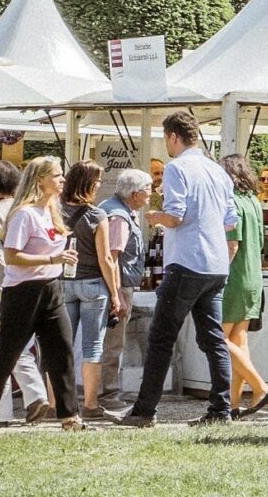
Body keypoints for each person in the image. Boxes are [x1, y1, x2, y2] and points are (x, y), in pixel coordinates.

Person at [115, 114, 238, 429]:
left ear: (173, 137)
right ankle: (221, 408)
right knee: (213, 339)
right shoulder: (218, 170)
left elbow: (176, 216)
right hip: (216, 264)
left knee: (161, 337)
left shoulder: (178, 168)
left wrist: (155, 216)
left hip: (186, 261)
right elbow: (230, 222)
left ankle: (144, 411)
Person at [0, 156, 82, 429]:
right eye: (57, 175)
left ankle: (70, 416)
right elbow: (11, 256)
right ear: (40, 180)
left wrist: (58, 261)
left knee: (62, 350)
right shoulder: (24, 213)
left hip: (51, 288)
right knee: (8, 353)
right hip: (23, 292)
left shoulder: (51, 210)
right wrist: (52, 259)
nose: (62, 180)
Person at [60, 161, 125, 420]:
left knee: (60, 346)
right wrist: (116, 294)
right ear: (88, 184)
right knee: (93, 347)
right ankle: (90, 404)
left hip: (62, 282)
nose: (99, 185)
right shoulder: (97, 215)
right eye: (97, 182)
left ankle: (57, 403)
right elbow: (106, 259)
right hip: (93, 285)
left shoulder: (55, 211)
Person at [94, 169, 154, 420]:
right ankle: (108, 393)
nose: (151, 193)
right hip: (117, 285)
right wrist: (117, 293)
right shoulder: (119, 215)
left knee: (105, 341)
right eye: (148, 189)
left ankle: (99, 392)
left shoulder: (112, 208)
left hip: (110, 284)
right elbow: (113, 257)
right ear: (135, 193)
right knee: (112, 343)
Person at [218, 154, 268, 417]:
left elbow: (232, 244)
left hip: (233, 276)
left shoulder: (231, 202)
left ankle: (259, 386)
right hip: (253, 277)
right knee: (239, 341)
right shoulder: (253, 201)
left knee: (217, 336)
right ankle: (233, 403)